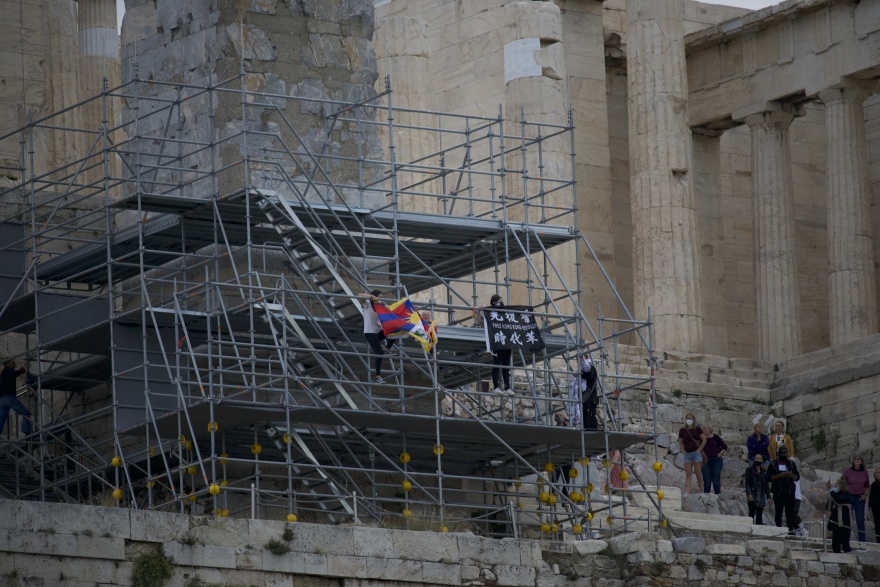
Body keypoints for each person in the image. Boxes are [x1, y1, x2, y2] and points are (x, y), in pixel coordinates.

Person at [474, 294, 512, 394]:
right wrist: (480, 311)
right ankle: (496, 387)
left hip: (506, 342)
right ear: (494, 302)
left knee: (506, 366)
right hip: (497, 342)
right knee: (497, 364)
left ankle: (507, 387)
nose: (501, 303)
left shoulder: (505, 313)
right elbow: (480, 323)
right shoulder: (490, 313)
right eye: (500, 301)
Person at [360, 291, 396, 383]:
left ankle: (387, 348)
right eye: (379, 297)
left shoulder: (379, 306)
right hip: (370, 333)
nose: (379, 299)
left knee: (395, 330)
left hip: (378, 331)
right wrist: (371, 296)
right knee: (379, 353)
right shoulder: (368, 304)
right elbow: (359, 295)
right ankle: (378, 377)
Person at [767, 445, 799, 532]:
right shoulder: (773, 464)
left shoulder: (791, 464)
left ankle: (790, 531)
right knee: (778, 513)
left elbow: (797, 477)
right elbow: (768, 478)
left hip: (790, 492)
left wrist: (790, 475)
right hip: (778, 493)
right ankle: (779, 531)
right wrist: (779, 475)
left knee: (790, 514)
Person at [841, 455, 870, 542]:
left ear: (861, 461)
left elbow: (867, 485)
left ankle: (862, 541)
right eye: (855, 458)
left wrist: (865, 495)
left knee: (860, 520)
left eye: (858, 459)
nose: (856, 460)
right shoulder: (848, 471)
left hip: (859, 498)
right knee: (847, 519)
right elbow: (841, 482)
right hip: (849, 497)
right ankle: (846, 540)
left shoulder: (864, 472)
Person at [0, 360, 31, 437]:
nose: (14, 363)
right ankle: (26, 432)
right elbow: (12, 374)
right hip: (9, 397)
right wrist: (21, 371)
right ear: (7, 364)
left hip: (2, 399)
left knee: (2, 417)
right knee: (25, 413)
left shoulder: (3, 373)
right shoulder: (7, 371)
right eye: (12, 362)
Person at [678, 414, 705, 494]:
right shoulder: (682, 430)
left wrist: (699, 450)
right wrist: (683, 451)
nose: (688, 420)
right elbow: (680, 442)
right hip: (687, 454)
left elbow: (704, 440)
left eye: (690, 418)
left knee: (698, 473)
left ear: (693, 419)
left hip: (696, 453)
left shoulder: (697, 429)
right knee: (688, 474)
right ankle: (687, 492)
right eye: (687, 418)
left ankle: (701, 490)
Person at [828, 477, 853, 553]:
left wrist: (832, 492)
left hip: (844, 524)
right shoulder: (836, 494)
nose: (836, 485)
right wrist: (831, 493)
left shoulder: (847, 494)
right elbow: (828, 507)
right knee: (835, 545)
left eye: (838, 483)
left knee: (845, 545)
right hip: (836, 524)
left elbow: (839, 500)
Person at [700, 424, 727, 494]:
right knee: (706, 481)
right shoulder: (702, 438)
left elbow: (724, 446)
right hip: (705, 461)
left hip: (716, 461)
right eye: (704, 428)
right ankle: (706, 497)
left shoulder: (715, 437)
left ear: (710, 429)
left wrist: (721, 453)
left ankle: (718, 496)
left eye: (707, 428)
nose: (705, 429)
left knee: (716, 480)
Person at [744, 454, 770, 524]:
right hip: (753, 494)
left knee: (759, 515)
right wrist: (749, 493)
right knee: (751, 515)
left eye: (759, 459)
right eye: (756, 458)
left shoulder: (763, 472)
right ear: (754, 459)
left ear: (762, 460)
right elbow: (747, 483)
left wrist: (768, 496)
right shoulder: (749, 470)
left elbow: (766, 485)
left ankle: (758, 531)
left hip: (761, 496)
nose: (758, 460)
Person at [868, 467, 880, 543]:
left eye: (879, 473)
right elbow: (871, 497)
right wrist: (870, 509)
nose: (877, 474)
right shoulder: (873, 485)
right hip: (876, 509)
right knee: (878, 525)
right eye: (876, 473)